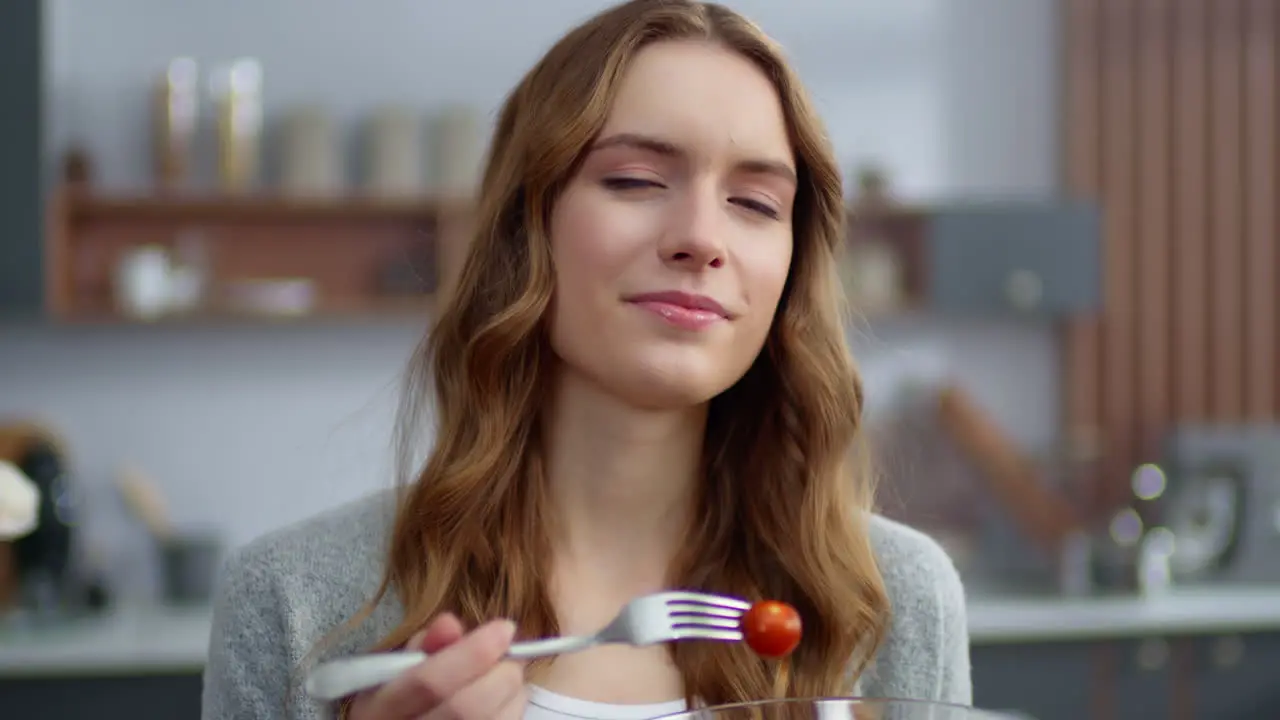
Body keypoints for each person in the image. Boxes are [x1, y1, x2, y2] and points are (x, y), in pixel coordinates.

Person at [202, 1, 971, 718]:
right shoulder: (293, 601)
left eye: (756, 204)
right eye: (635, 180)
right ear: (523, 231)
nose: (702, 237)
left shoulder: (893, 600)